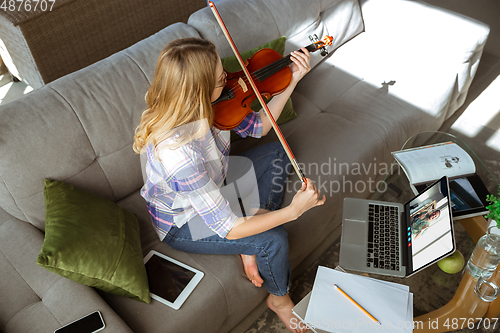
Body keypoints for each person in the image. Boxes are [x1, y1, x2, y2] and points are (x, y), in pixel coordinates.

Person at [133, 37, 325, 333]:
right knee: (273, 238)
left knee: (277, 154)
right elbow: (227, 227)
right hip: (183, 222)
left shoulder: (215, 106)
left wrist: (293, 79)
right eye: (223, 78)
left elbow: (259, 127)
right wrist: (293, 211)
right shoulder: (178, 156)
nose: (233, 80)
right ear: (199, 91)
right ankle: (280, 300)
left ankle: (249, 240)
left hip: (215, 186)